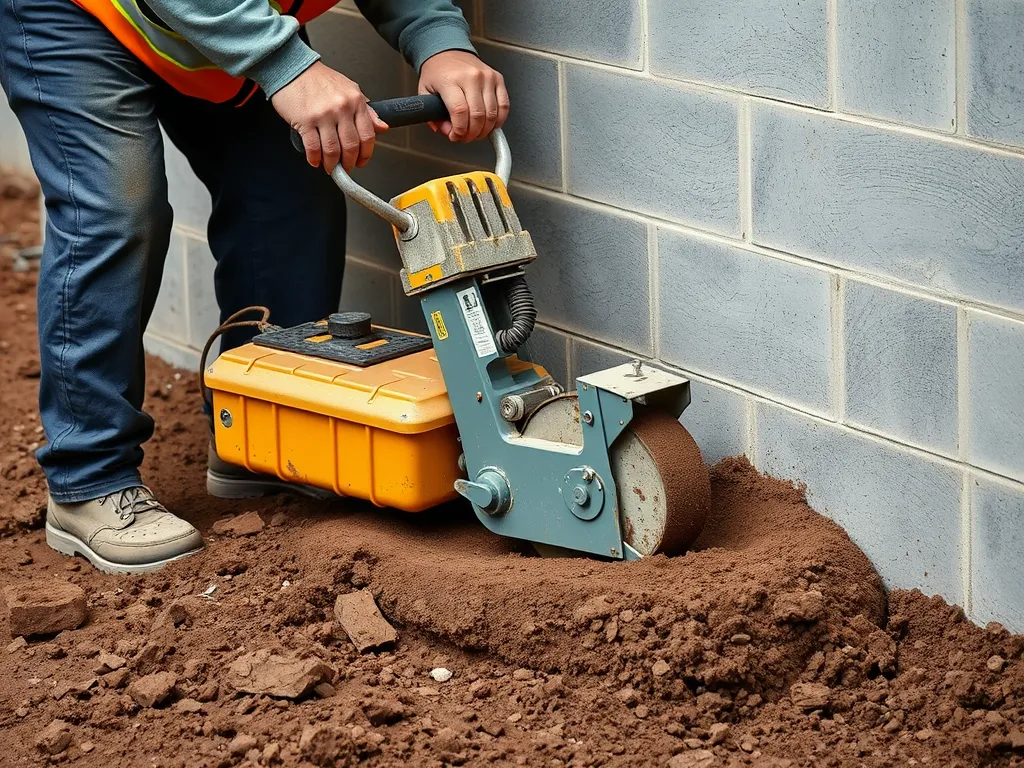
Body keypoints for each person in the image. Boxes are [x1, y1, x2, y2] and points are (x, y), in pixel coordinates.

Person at [0, 0, 509, 574]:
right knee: (117, 213)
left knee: (290, 189)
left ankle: (258, 436)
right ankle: (87, 476)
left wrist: (438, 38)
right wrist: (285, 63)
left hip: (219, 18)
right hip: (78, 16)